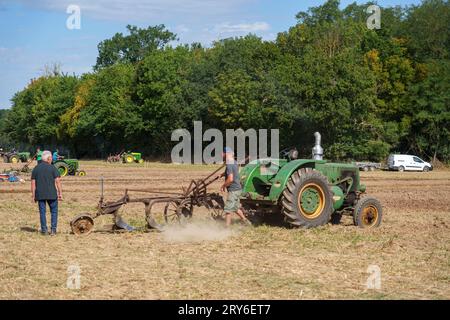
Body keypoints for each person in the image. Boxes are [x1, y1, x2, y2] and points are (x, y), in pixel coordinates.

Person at [31, 150, 63, 236]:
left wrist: (33, 195)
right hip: (52, 194)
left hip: (40, 194)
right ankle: (53, 230)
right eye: (51, 158)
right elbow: (58, 181)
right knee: (54, 212)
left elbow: (33, 183)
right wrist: (60, 193)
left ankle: (44, 230)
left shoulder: (36, 168)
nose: (51, 159)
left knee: (42, 212)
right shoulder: (53, 168)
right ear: (48, 158)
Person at [219, 147, 251, 227]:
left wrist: (223, 186)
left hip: (233, 190)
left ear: (227, 154)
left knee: (228, 209)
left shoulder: (229, 164)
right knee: (236, 208)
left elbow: (230, 179)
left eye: (223, 153)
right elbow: (232, 172)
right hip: (238, 188)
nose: (221, 154)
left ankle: (226, 228)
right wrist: (222, 175)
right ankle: (246, 222)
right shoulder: (234, 162)